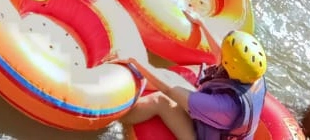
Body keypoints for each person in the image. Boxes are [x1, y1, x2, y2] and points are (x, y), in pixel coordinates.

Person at [114, 28, 267, 140]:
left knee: (161, 101)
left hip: (210, 129)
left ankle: (114, 115)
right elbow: (221, 54)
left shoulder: (224, 107)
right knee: (172, 77)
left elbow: (169, 90)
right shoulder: (252, 75)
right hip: (218, 125)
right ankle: (128, 80)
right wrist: (202, 23)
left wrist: (136, 60)